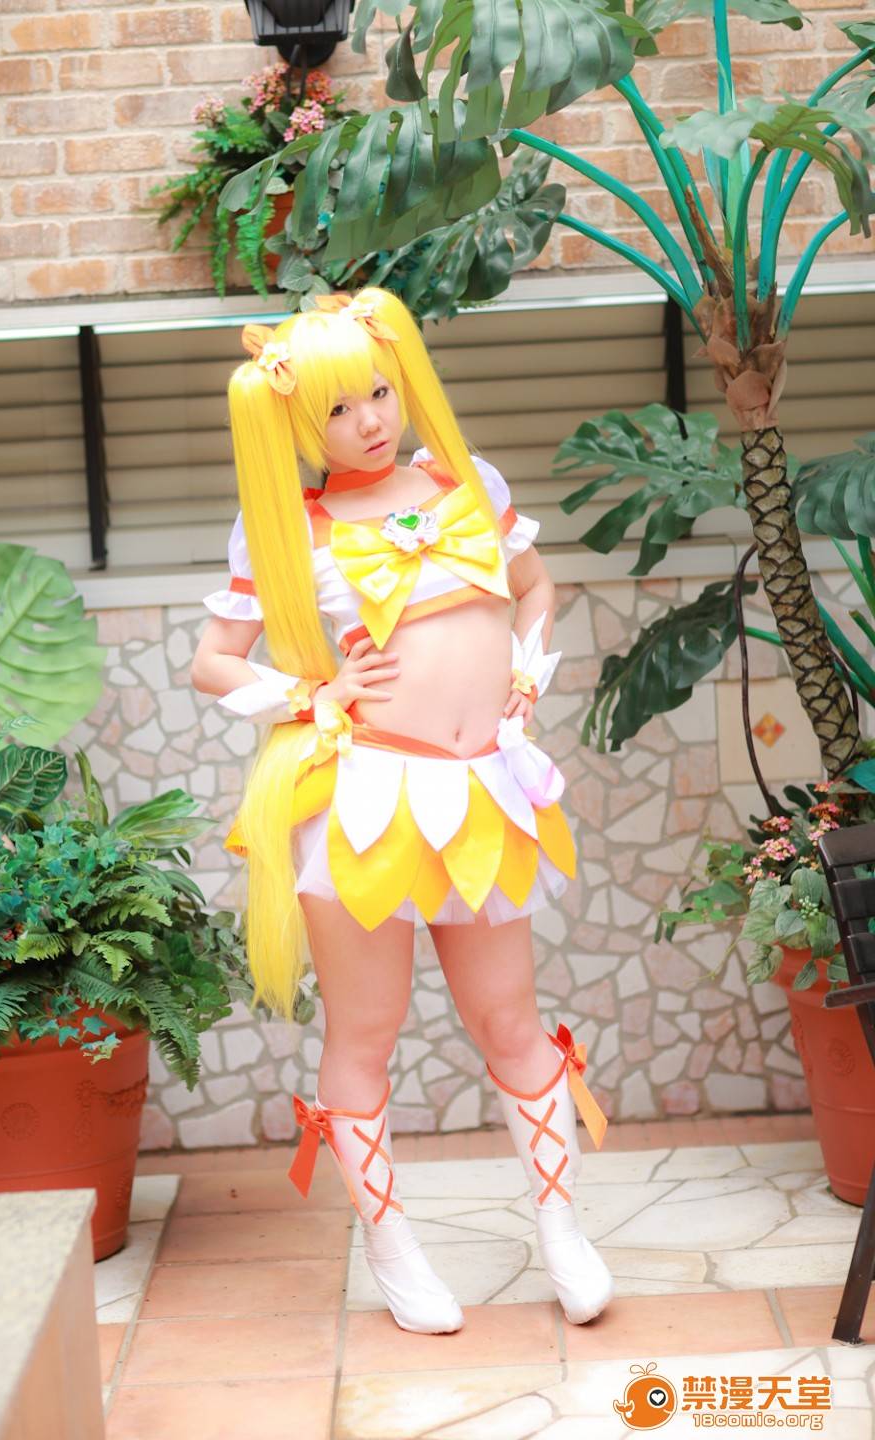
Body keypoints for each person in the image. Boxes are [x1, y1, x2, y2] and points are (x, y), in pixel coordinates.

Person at [190, 286, 614, 1334]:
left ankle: (563, 1227)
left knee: (509, 1018)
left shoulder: (469, 481)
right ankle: (391, 1245)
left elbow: (535, 588)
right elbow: (213, 661)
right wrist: (315, 694)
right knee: (367, 1029)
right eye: (337, 409)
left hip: (482, 793)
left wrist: (526, 683)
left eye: (378, 393)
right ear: (300, 421)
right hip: (367, 799)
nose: (369, 421)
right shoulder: (285, 524)